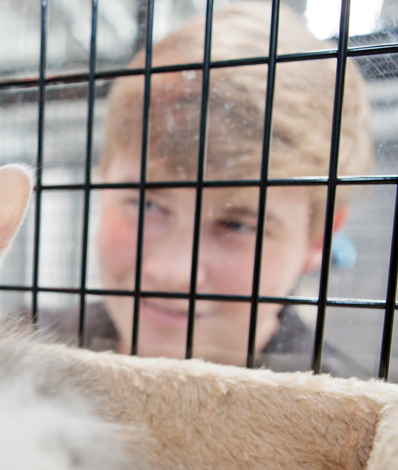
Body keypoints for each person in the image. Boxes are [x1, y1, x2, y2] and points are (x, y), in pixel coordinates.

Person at [58, 2, 374, 375]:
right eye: (147, 205)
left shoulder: (352, 419)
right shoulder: (19, 347)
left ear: (319, 238)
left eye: (237, 225)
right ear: (104, 181)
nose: (172, 273)